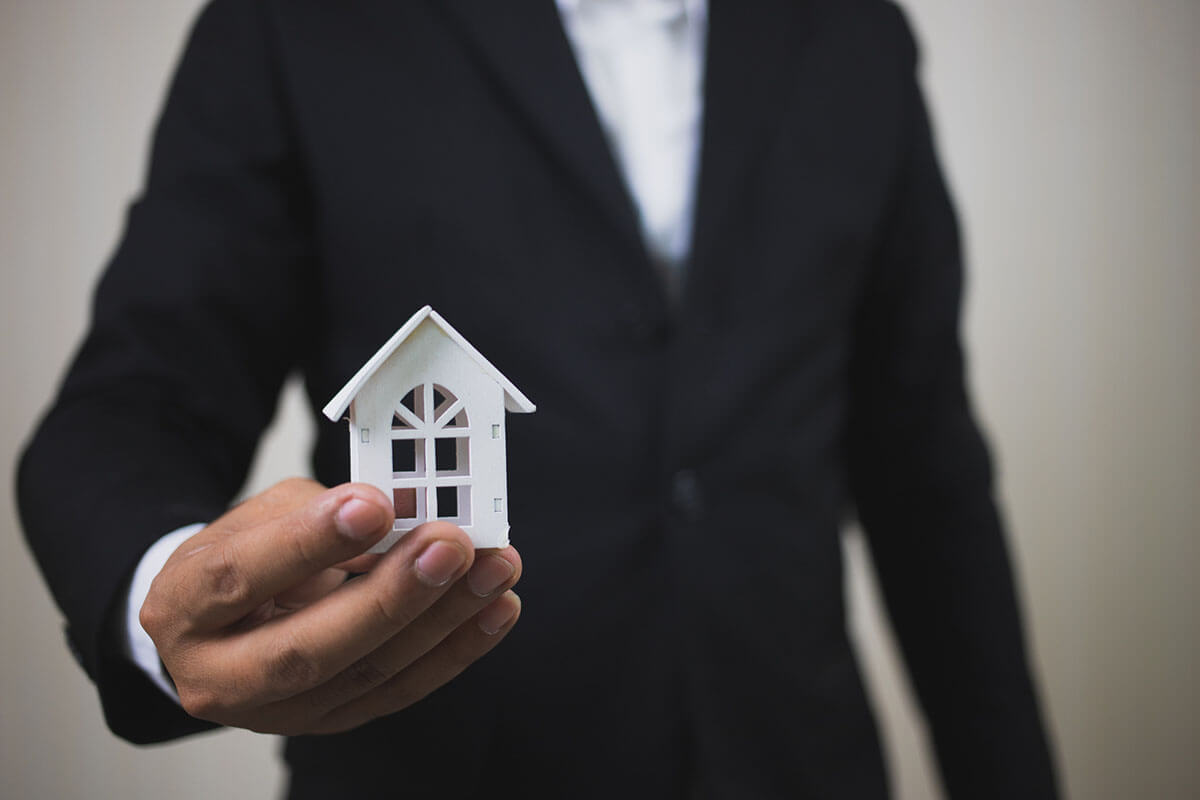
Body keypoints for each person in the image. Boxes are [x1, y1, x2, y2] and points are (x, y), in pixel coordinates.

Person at [17, 0, 1060, 797]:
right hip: (443, 760)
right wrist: (169, 604)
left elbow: (925, 464)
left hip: (795, 751)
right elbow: (135, 399)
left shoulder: (856, 31)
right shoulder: (295, 22)